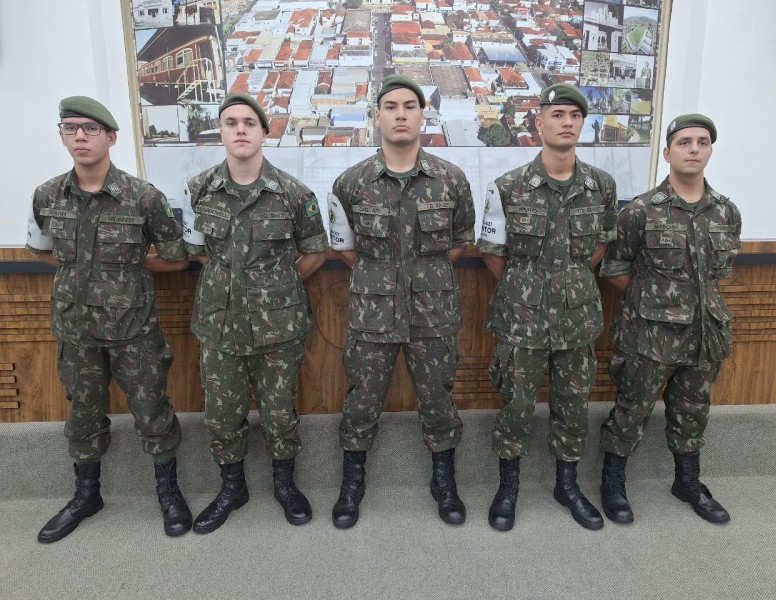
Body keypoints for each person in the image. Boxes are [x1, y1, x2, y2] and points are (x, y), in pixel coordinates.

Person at [27, 96, 191, 542]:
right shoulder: (47, 194)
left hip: (133, 330)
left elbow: (175, 257)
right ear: (62, 135)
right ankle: (86, 495)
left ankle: (169, 492)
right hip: (75, 330)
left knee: (152, 411)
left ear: (111, 137)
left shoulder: (143, 197)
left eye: (90, 129)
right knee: (83, 413)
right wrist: (82, 271)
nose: (79, 136)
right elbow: (41, 250)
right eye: (70, 128)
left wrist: (128, 269)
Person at [327, 75, 475, 529]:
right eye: (390, 107)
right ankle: (352, 485)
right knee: (361, 400)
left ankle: (444, 483)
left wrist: (419, 275)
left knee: (438, 399)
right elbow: (344, 245)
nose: (401, 114)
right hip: (373, 311)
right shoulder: (351, 183)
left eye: (410, 106)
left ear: (423, 115)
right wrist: (383, 274)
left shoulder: (450, 179)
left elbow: (460, 240)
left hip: (434, 311)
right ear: (377, 118)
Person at [183, 93, 328, 533]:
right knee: (222, 414)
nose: (240, 129)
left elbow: (315, 252)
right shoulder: (199, 190)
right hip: (220, 322)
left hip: (277, 326)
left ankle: (285, 485)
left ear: (265, 132)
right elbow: (198, 252)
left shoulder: (294, 193)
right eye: (231, 122)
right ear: (222, 132)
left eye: (249, 122)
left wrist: (273, 286)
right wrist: (235, 284)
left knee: (280, 411)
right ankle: (232, 488)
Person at [477, 84, 618, 531]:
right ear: (539, 123)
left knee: (573, 405)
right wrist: (532, 287)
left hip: (577, 318)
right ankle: (508, 487)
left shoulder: (602, 186)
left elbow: (597, 249)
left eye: (574, 115)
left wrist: (564, 281)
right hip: (522, 318)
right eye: (557, 114)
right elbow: (494, 255)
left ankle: (567, 485)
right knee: (515, 406)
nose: (567, 122)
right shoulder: (507, 187)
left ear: (583, 124)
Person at [599, 114, 741, 525]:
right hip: (649, 337)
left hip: (704, 336)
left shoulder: (726, 212)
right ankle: (613, 483)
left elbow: (719, 276)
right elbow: (615, 269)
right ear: (667, 153)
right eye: (684, 142)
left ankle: (688, 482)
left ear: (710, 151)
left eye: (701, 142)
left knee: (693, 411)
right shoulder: (641, 211)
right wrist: (657, 303)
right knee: (632, 410)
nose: (693, 149)